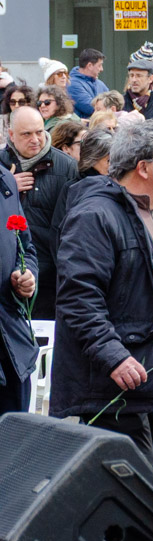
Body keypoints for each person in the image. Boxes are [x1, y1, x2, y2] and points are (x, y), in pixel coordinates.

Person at [51, 121, 153, 474]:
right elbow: (79, 298)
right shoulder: (95, 215)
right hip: (118, 385)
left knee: (147, 491)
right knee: (127, 492)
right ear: (143, 168)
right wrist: (114, 357)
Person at [3, 106, 78, 320]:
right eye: (26, 134)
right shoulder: (2, 168)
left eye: (39, 132)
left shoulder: (67, 167)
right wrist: (7, 188)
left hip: (50, 277)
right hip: (6, 275)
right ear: (11, 135)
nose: (35, 139)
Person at [0, 160, 37, 415]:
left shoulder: (5, 180)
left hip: (11, 344)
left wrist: (25, 275)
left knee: (13, 431)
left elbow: (25, 247)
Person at [67, 48, 108, 117]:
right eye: (99, 65)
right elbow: (91, 108)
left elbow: (112, 103)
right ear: (89, 66)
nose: (102, 69)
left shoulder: (100, 84)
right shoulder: (72, 85)